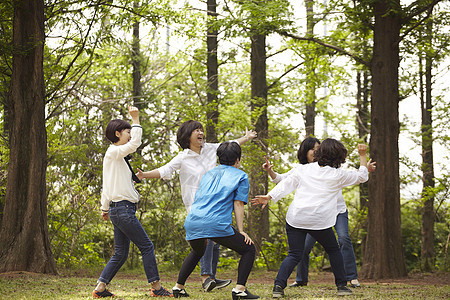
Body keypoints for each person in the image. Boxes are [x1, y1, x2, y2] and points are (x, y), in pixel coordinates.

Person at [137, 120, 257, 292]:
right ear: (188, 136)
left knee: (209, 244)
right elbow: (165, 170)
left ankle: (201, 280)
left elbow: (229, 148)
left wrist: (246, 138)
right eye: (196, 130)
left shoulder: (210, 149)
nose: (201, 133)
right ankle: (207, 277)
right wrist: (145, 175)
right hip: (196, 204)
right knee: (209, 240)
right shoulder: (183, 157)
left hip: (216, 201)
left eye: (201, 130)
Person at [252, 139, 370, 298]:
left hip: (296, 218)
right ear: (338, 157)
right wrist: (362, 156)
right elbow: (362, 176)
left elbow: (286, 184)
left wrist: (269, 196)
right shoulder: (338, 175)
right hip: (318, 221)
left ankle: (278, 287)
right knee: (334, 250)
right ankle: (342, 286)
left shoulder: (303, 169)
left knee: (294, 254)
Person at [92, 106, 172, 298]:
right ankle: (156, 287)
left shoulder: (115, 157)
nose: (129, 135)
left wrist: (104, 209)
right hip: (123, 210)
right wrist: (135, 120)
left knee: (120, 253)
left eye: (130, 131)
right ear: (118, 133)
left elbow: (107, 185)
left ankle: (100, 289)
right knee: (147, 246)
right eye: (127, 132)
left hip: (118, 209)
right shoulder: (114, 152)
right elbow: (135, 143)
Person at [171, 141, 259, 299]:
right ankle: (239, 290)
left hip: (193, 219)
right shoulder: (241, 176)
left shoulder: (209, 173)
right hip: (215, 223)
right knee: (249, 249)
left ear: (219, 158)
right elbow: (238, 204)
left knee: (198, 251)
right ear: (238, 159)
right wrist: (241, 231)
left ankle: (178, 287)